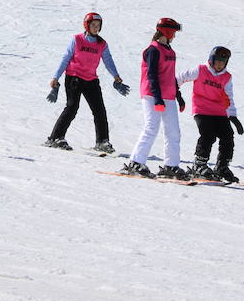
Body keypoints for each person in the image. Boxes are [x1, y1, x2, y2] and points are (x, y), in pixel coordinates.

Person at [45, 12, 129, 153]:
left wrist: (116, 76)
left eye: (98, 26)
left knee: (99, 110)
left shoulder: (101, 44)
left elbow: (108, 60)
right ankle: (55, 138)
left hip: (91, 80)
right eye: (93, 25)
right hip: (74, 78)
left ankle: (102, 141)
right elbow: (66, 58)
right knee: (72, 107)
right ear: (87, 25)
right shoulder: (77, 40)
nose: (96, 28)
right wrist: (56, 77)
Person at [122, 17, 186, 179]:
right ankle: (136, 162)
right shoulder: (153, 50)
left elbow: (170, 76)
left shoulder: (170, 51)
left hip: (168, 96)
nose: (175, 36)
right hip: (152, 95)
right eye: (174, 32)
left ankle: (171, 166)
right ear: (167, 31)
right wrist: (157, 98)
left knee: (173, 132)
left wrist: (179, 96)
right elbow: (152, 75)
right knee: (151, 127)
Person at [177, 45, 243, 182]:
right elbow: (181, 77)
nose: (219, 64)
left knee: (228, 136)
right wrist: (174, 91)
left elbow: (229, 97)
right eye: (217, 61)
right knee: (208, 134)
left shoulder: (226, 77)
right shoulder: (200, 70)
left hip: (219, 112)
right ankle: (199, 164)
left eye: (223, 62)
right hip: (201, 110)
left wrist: (233, 116)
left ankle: (222, 166)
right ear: (211, 60)